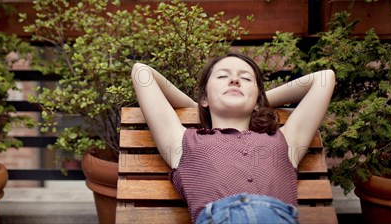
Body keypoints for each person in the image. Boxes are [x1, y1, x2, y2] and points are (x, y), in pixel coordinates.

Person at [131, 52, 335, 224]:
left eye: (246, 79)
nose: (235, 80)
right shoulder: (182, 142)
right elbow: (142, 72)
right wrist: (201, 103)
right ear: (204, 98)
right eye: (222, 77)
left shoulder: (286, 141)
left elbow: (324, 79)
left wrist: (257, 99)